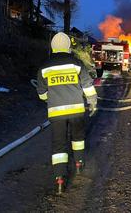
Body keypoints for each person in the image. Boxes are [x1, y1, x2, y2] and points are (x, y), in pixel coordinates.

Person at [36, 32, 97, 194]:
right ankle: (79, 163)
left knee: (59, 144)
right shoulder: (76, 64)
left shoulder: (44, 67)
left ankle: (60, 179)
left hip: (56, 113)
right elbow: (87, 86)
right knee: (78, 138)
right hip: (77, 110)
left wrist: (53, 98)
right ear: (68, 46)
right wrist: (92, 103)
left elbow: (42, 94)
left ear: (53, 46)